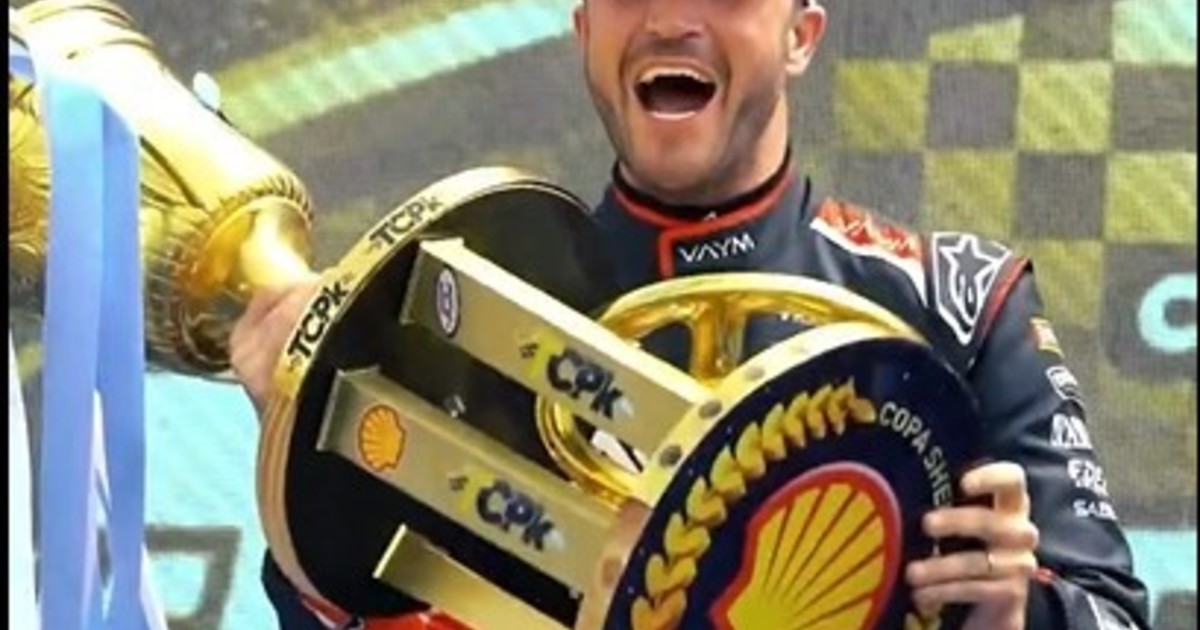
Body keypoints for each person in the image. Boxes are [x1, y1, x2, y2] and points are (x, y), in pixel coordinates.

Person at [231, 1, 1150, 628]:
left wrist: (1019, 612)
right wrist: (310, 450)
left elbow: (1112, 613)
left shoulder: (961, 300)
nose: (670, 18)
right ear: (584, 29)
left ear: (801, 34)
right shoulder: (462, 321)